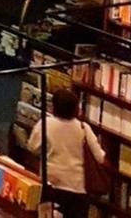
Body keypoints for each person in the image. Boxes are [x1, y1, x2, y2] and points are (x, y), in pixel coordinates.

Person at [26, 88, 104, 218]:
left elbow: (32, 147)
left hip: (51, 185)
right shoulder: (83, 128)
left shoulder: (45, 124)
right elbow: (100, 157)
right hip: (78, 188)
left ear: (54, 107)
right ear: (75, 109)